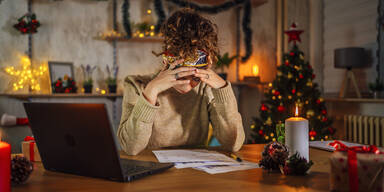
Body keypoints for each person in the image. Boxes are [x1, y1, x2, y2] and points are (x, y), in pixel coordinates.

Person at [117, 8, 244, 155]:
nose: (187, 85)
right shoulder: (136, 85)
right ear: (166, 61)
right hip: (151, 170)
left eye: (195, 78)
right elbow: (131, 148)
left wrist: (223, 88)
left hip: (196, 171)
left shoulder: (206, 89)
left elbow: (233, 144)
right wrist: (151, 91)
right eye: (180, 76)